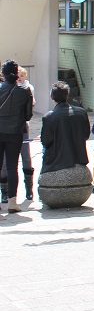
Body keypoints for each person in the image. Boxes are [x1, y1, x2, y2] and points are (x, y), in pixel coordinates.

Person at [0, 60, 34, 212]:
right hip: (15, 133)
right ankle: (12, 203)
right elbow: (28, 116)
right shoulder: (25, 91)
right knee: (12, 167)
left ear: (3, 74)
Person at [40, 82, 90, 177]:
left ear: (52, 97)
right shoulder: (82, 112)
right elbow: (86, 135)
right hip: (79, 156)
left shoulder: (49, 117)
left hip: (57, 159)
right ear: (67, 96)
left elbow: (46, 141)